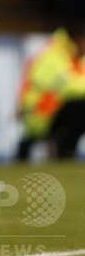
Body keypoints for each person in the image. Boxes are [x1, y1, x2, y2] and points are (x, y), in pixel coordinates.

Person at [16, 23, 85, 161]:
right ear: (77, 39)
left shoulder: (72, 56)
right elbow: (68, 87)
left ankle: (66, 148)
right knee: (80, 107)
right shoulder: (53, 56)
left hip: (52, 112)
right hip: (39, 114)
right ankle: (65, 149)